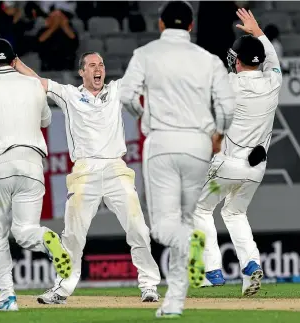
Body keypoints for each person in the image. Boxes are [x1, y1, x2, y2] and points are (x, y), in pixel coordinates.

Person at [119, 1, 235, 318]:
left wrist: (144, 116)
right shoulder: (208, 60)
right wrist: (219, 133)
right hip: (199, 144)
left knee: (162, 227)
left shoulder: (145, 55)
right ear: (190, 25)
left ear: (160, 24)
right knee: (187, 220)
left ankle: (190, 246)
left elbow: (127, 95)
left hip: (162, 143)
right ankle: (174, 302)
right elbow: (226, 106)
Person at [15, 54, 162, 303]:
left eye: (102, 65)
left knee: (138, 228)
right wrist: (15, 63)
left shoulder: (117, 89)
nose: (98, 69)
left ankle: (149, 285)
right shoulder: (69, 94)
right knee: (72, 234)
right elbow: (38, 82)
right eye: (92, 65)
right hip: (84, 171)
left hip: (116, 168)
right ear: (81, 71)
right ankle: (62, 289)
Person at [0, 38, 71, 312]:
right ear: (13, 59)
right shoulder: (33, 84)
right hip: (31, 164)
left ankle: (8, 296)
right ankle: (45, 238)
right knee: (25, 231)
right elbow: (46, 121)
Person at [192, 8, 282, 297]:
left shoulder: (231, 85)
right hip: (256, 170)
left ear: (239, 61)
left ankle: (212, 271)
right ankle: (251, 263)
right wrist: (258, 33)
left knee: (202, 208)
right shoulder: (274, 82)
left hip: (228, 166)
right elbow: (273, 60)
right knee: (234, 212)